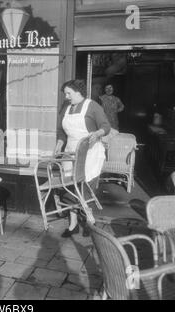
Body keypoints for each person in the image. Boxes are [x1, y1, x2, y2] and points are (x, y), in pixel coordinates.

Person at [55, 79, 111, 237]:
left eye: (69, 93)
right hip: (70, 152)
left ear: (79, 92)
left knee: (87, 188)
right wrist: (60, 143)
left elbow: (105, 126)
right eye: (65, 93)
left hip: (90, 152)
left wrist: (97, 133)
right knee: (71, 188)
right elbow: (61, 130)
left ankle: (89, 221)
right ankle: (73, 225)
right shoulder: (66, 107)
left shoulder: (92, 106)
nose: (66, 97)